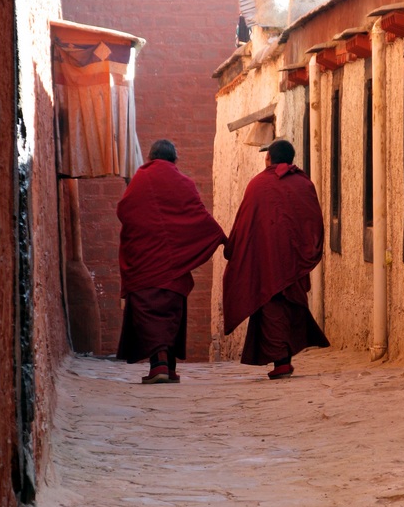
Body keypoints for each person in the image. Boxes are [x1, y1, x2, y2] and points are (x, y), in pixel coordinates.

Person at [117, 139, 226, 384]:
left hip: (145, 262)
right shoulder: (184, 183)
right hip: (173, 265)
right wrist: (220, 238)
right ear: (174, 159)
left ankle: (160, 365)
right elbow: (198, 215)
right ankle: (167, 366)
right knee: (169, 316)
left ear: (150, 158)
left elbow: (124, 212)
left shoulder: (138, 182)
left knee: (152, 317)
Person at [223, 138, 329, 379]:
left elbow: (244, 223)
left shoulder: (257, 185)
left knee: (273, 308)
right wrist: (307, 252)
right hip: (293, 262)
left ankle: (281, 362)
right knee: (289, 307)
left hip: (266, 262)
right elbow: (314, 221)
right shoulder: (304, 184)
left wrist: (233, 248)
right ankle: (283, 361)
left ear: (267, 159)